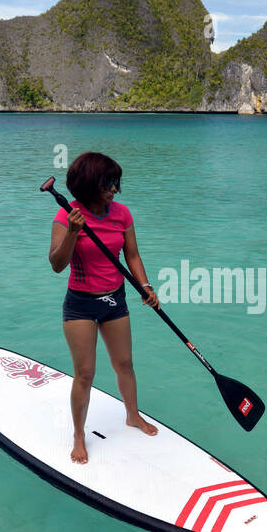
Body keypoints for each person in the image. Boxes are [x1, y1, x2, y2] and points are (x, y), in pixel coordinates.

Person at [48, 152, 161, 463]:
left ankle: (133, 416)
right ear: (88, 185)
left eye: (116, 181)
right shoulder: (66, 216)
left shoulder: (122, 214)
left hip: (115, 299)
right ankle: (79, 436)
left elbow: (133, 256)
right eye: (107, 182)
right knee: (85, 373)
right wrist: (72, 232)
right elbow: (57, 264)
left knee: (125, 364)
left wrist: (146, 287)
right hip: (81, 304)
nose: (114, 188)